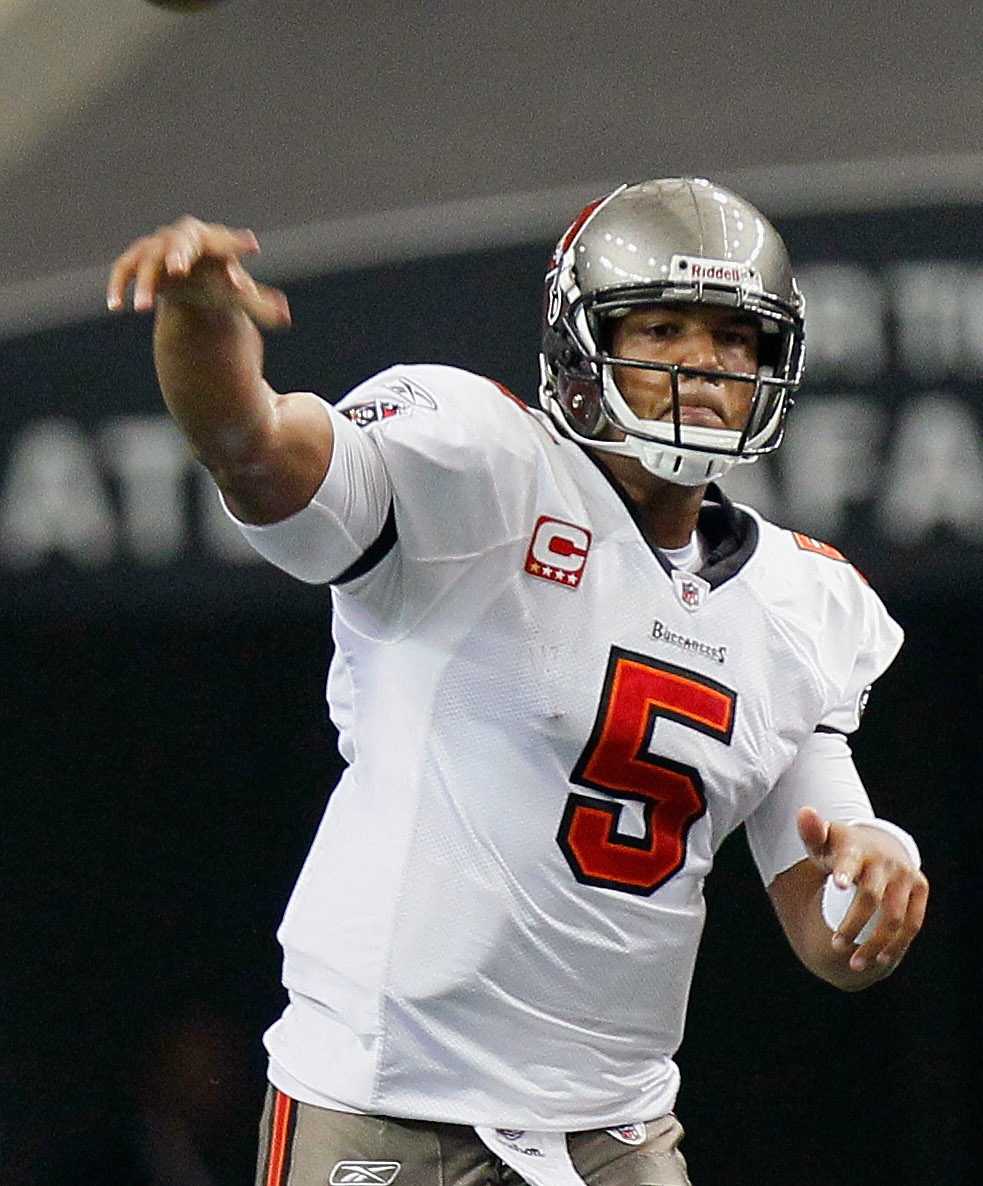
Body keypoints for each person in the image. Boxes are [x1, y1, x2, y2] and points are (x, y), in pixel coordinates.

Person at [106, 176, 930, 1186]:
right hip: (385, 1104)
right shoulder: (481, 465)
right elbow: (257, 453)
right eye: (665, 327)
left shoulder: (802, 603)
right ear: (582, 349)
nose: (705, 363)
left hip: (614, 1131)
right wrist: (202, 330)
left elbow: (830, 919)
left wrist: (877, 877)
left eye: (735, 337)